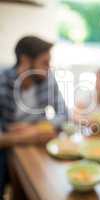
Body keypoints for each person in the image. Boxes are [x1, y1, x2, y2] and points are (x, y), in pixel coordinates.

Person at [0, 36, 69, 197]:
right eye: (44, 63)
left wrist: (33, 129)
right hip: (9, 145)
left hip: (37, 141)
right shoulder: (3, 80)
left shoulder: (47, 79)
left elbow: (64, 114)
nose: (49, 68)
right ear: (25, 61)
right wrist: (27, 136)